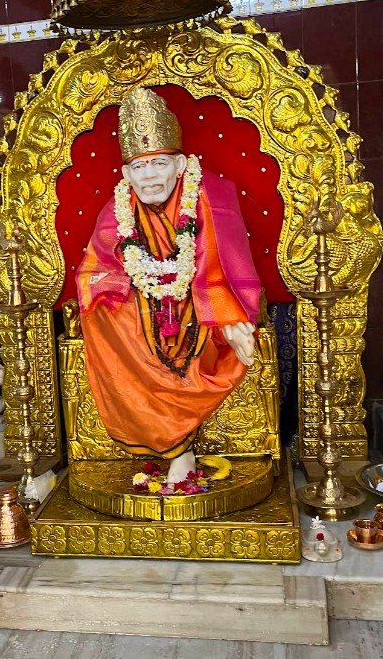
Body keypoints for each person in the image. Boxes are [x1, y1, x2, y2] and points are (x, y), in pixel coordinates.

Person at [76, 87, 261, 483]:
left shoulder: (211, 195)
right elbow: (95, 267)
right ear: (126, 174)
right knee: (108, 316)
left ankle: (180, 444)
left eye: (158, 164)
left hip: (200, 303)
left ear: (180, 165)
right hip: (144, 307)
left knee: (207, 327)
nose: (149, 176)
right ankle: (174, 446)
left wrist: (230, 317)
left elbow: (224, 262)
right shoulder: (118, 208)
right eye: (139, 167)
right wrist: (119, 290)